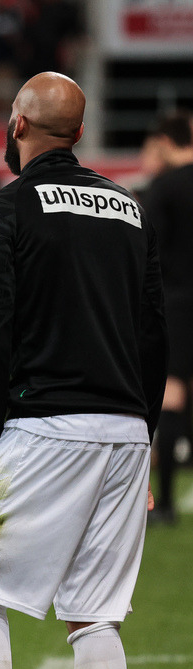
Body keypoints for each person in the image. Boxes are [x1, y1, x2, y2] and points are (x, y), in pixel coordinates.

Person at [0, 72, 168, 669]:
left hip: (45, 428)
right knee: (95, 616)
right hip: (124, 435)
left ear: (17, 124)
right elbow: (153, 339)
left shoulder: (6, 208)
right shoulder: (131, 211)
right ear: (79, 132)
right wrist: (142, 443)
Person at [139, 110, 193, 525]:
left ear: (164, 142)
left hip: (176, 302)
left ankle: (168, 504)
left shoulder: (164, 187)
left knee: (171, 397)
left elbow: (145, 252)